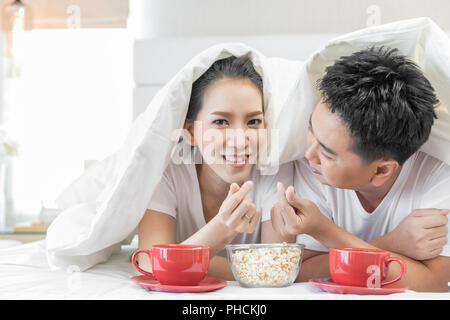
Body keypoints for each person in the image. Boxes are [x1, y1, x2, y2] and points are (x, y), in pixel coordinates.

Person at [270, 46, 450, 292]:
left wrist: (322, 229)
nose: (308, 153)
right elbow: (304, 271)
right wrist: (392, 243)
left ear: (381, 171)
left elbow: (432, 283)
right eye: (311, 128)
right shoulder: (314, 168)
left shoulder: (440, 178)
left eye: (326, 152)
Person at [137, 55, 292, 280]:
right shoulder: (167, 172)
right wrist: (222, 228)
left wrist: (180, 260)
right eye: (220, 122)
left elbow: (274, 269)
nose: (240, 140)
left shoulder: (274, 170)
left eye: (253, 122)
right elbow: (150, 264)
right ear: (190, 131)